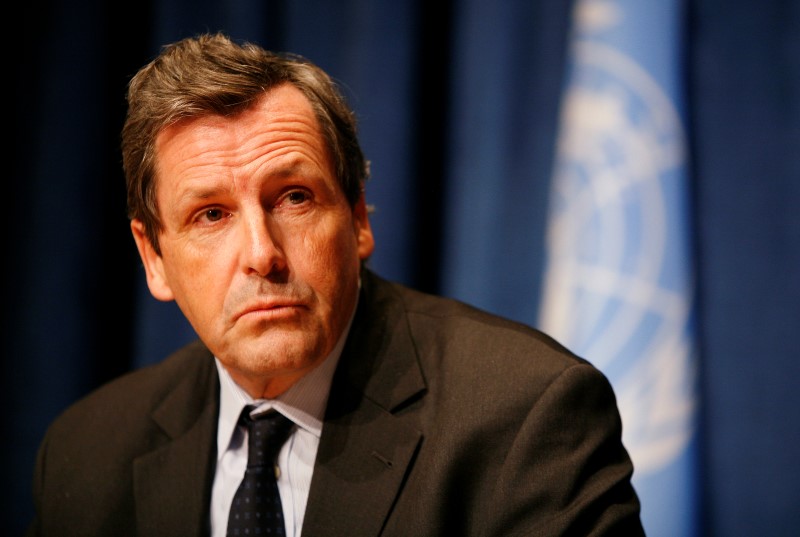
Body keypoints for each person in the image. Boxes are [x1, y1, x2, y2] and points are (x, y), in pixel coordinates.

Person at [27, 32, 644, 537]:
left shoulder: (523, 418)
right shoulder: (88, 453)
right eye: (210, 215)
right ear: (153, 257)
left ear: (357, 219)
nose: (262, 255)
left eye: (294, 198)